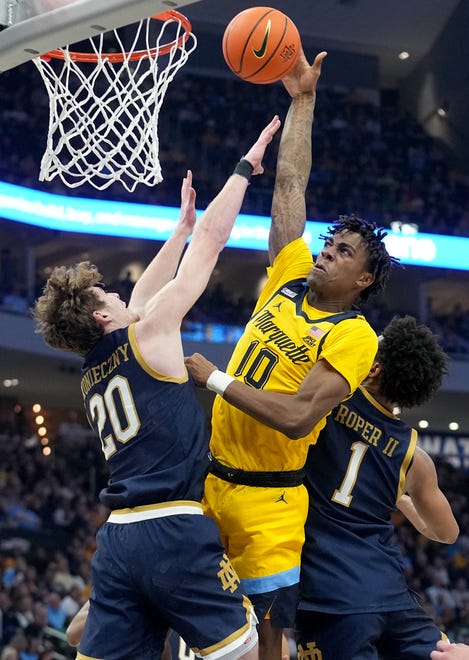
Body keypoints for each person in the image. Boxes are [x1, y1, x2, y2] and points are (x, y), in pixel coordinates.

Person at [33, 114, 281, 660]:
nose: (119, 293)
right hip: (173, 526)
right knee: (248, 648)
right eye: (107, 294)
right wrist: (245, 167)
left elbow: (145, 294)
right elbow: (212, 247)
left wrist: (178, 230)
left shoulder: (96, 365)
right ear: (101, 317)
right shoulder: (150, 334)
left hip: (119, 538)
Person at [185, 49, 396, 660]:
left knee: (267, 647)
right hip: (209, 480)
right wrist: (302, 101)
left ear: (363, 280)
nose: (328, 250)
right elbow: (290, 184)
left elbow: (302, 415)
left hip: (270, 504)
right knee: (178, 624)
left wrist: (218, 380)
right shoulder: (289, 274)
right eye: (330, 241)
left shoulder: (353, 336)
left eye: (345, 250)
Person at [296, 315, 459, 660]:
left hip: (331, 594)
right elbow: (447, 532)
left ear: (373, 369)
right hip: (391, 594)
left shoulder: (332, 398)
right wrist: (400, 499)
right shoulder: (415, 456)